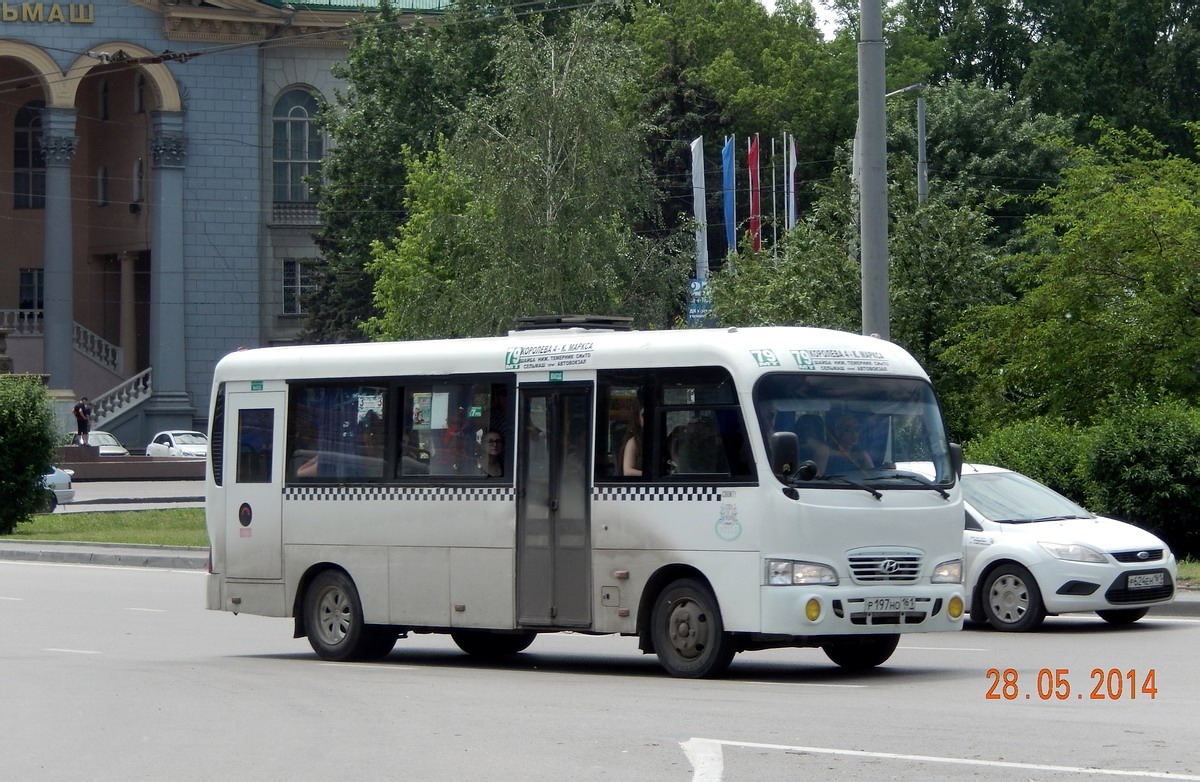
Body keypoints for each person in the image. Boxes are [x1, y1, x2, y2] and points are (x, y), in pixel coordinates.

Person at [620, 407, 643, 476]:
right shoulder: (633, 442)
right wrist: (649, 475)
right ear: (638, 419)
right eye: (644, 415)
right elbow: (627, 471)